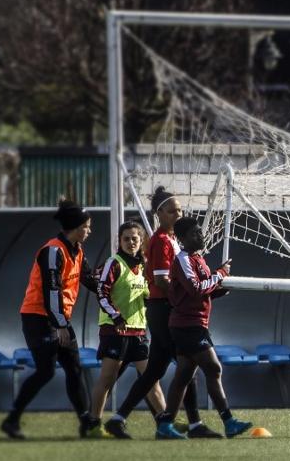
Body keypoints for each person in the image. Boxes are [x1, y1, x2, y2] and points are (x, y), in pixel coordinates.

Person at [106, 187, 219, 439]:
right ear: (159, 214)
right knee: (187, 366)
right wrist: (190, 294)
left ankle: (119, 418)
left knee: (158, 369)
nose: (177, 214)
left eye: (180, 210)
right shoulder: (159, 241)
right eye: (172, 211)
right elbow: (162, 282)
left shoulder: (172, 240)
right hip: (163, 310)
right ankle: (191, 424)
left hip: (166, 309)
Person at [1, 200, 101, 440]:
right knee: (46, 371)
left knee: (74, 369)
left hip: (59, 317)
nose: (89, 231)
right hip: (38, 317)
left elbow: (89, 280)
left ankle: (85, 422)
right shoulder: (53, 250)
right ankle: (12, 419)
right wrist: (61, 325)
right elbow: (51, 292)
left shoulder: (77, 250)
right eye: (87, 226)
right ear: (76, 227)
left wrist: (113, 286)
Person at [152, 217, 252, 439]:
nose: (201, 236)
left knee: (183, 377)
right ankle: (229, 421)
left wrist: (221, 288)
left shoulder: (198, 259)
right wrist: (220, 274)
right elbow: (196, 289)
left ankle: (165, 425)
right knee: (213, 368)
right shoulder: (183, 259)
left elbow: (204, 291)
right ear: (183, 239)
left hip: (192, 323)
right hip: (188, 325)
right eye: (196, 233)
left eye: (200, 232)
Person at [87, 221, 167, 435]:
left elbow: (150, 296)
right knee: (107, 379)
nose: (131, 242)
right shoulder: (113, 263)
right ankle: (94, 423)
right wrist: (116, 316)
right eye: (126, 238)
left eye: (135, 238)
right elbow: (101, 292)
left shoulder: (144, 266)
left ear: (141, 241)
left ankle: (165, 423)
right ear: (119, 241)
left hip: (139, 332)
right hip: (115, 331)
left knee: (151, 379)